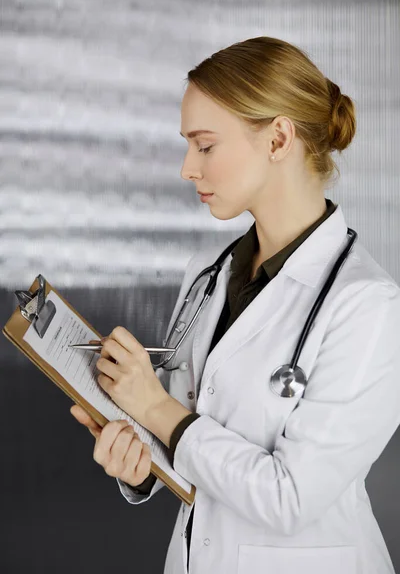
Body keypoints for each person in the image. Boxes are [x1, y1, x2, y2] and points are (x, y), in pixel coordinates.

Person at [71, 36, 400, 574]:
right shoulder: (209, 275)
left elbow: (290, 498)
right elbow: (185, 439)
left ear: (277, 139)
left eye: (204, 146)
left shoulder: (368, 305)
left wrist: (154, 407)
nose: (186, 168)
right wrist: (138, 462)